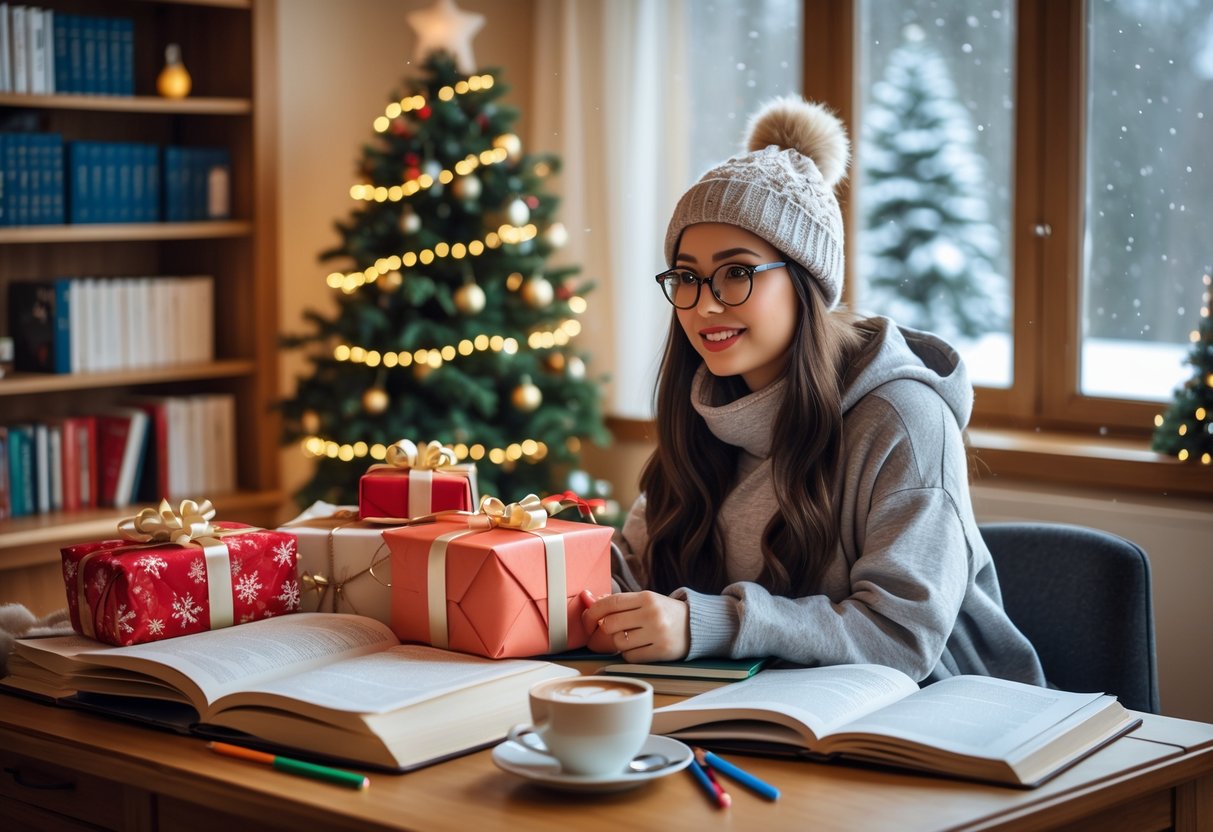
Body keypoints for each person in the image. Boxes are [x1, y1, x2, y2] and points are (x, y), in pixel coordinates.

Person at [581, 96, 1045, 686]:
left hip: (945, 722)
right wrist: (552, 562)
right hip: (773, 712)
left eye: (737, 272)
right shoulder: (705, 409)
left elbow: (901, 638)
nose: (704, 304)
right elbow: (637, 568)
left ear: (806, 281)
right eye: (688, 277)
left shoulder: (903, 419)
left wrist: (711, 624)